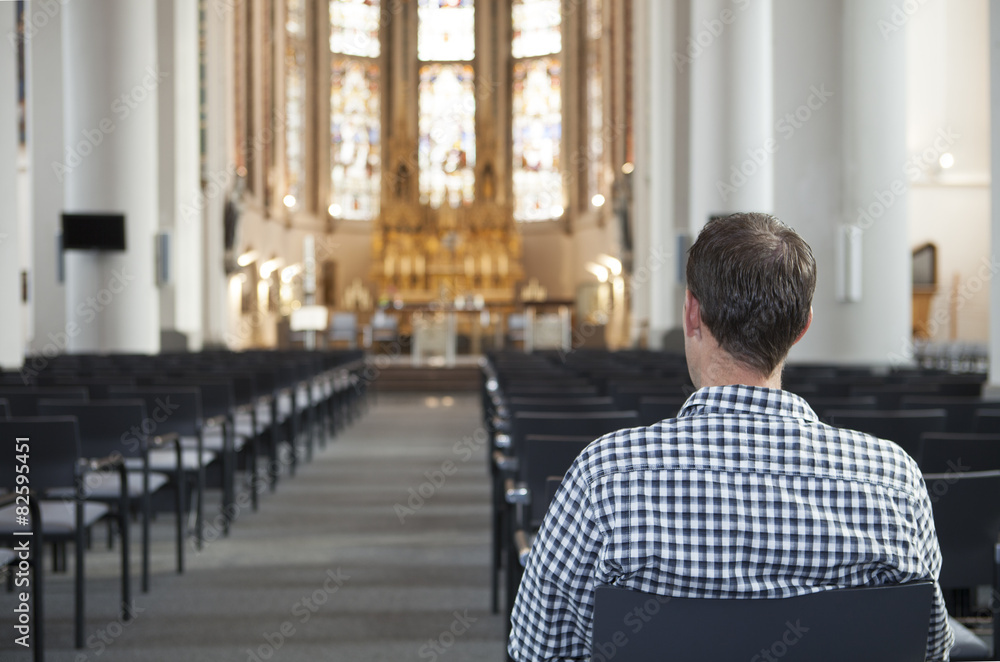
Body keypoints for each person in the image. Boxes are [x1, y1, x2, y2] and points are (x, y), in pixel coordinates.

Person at [508, 213, 953, 661]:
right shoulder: (895, 480)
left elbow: (538, 650)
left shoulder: (604, 476)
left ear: (691, 314)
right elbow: (928, 647)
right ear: (802, 327)